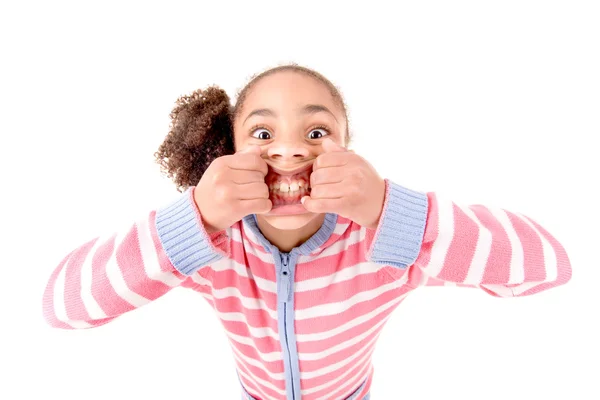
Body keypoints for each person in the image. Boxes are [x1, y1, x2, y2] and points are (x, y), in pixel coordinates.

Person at [42, 64, 572, 400]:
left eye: (316, 132)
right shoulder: (210, 252)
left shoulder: (391, 245)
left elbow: (546, 268)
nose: (291, 149)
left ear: (348, 148)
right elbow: (64, 308)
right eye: (263, 132)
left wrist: (396, 211)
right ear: (227, 151)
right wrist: (194, 219)